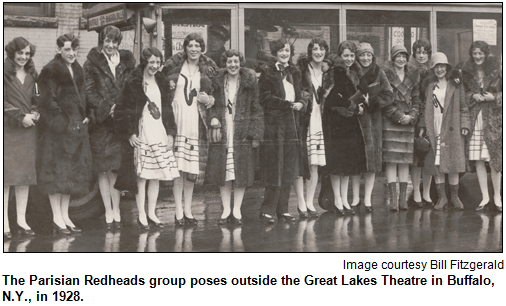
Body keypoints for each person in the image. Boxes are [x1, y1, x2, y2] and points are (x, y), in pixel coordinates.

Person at [114, 47, 180, 229]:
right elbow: (122, 109)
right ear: (144, 62)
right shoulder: (134, 81)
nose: (155, 66)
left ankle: (152, 213)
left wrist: (170, 133)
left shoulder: (162, 81)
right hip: (142, 131)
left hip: (158, 130)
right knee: (142, 176)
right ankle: (141, 214)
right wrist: (129, 132)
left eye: (158, 63)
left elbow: (167, 109)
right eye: (151, 62)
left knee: (156, 175)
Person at [38, 34, 92, 234]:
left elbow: (83, 97)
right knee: (56, 175)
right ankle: (56, 218)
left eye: (74, 49)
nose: (71, 53)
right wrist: (62, 123)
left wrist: (87, 116)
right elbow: (47, 102)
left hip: (76, 131)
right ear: (59, 49)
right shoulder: (50, 70)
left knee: (70, 175)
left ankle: (65, 216)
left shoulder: (78, 69)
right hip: (59, 133)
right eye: (67, 49)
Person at [84, 25, 136, 229]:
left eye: (114, 42)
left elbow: (132, 87)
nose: (110, 45)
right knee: (103, 169)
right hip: (102, 122)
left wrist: (122, 109)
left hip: (120, 123)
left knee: (116, 168)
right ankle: (108, 210)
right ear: (101, 41)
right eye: (107, 41)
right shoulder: (91, 64)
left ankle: (117, 209)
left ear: (118, 43)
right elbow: (90, 92)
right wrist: (108, 108)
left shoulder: (126, 63)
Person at [163, 33, 216, 225]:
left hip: (195, 121)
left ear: (202, 49)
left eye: (197, 46)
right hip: (178, 120)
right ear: (185, 48)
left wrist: (209, 100)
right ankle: (178, 211)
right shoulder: (174, 68)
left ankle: (188, 210)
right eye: (190, 45)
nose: (194, 49)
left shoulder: (207, 71)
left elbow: (214, 95)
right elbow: (163, 93)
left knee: (191, 169)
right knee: (178, 169)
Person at [206, 49, 264, 224]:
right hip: (223, 129)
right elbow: (212, 105)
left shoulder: (249, 83)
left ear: (241, 64)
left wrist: (255, 134)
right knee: (224, 170)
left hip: (242, 130)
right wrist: (213, 117)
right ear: (225, 63)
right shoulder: (216, 82)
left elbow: (257, 108)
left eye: (236, 62)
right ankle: (225, 210)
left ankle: (237, 210)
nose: (233, 65)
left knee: (241, 171)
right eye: (229, 62)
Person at [258, 38, 309, 223]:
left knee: (288, 165)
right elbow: (264, 97)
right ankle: (267, 210)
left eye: (287, 50)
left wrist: (301, 103)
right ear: (275, 52)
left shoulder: (295, 72)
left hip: (292, 122)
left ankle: (283, 209)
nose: (284, 53)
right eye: (280, 50)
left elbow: (304, 92)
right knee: (274, 164)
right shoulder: (267, 71)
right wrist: (286, 104)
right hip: (274, 122)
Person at [418, 52, 470, 210]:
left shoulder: (456, 84)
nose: (439, 69)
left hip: (452, 126)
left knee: (453, 162)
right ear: (432, 69)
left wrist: (465, 125)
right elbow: (424, 109)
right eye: (436, 67)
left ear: (447, 68)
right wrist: (421, 127)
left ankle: (454, 196)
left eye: (442, 66)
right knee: (437, 164)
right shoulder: (429, 86)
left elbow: (464, 108)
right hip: (434, 125)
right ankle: (442, 198)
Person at [321, 41, 367, 215]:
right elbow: (332, 99)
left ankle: (345, 198)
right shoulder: (335, 73)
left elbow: (362, 93)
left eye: (352, 56)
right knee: (337, 163)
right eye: (346, 55)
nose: (349, 59)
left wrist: (359, 104)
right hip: (336, 124)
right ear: (340, 56)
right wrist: (353, 107)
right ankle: (338, 200)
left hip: (350, 123)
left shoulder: (356, 72)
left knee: (347, 163)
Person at [456, 41, 502, 212]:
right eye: (474, 53)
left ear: (486, 54)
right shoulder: (466, 72)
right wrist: (472, 95)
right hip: (476, 118)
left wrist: (495, 98)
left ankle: (498, 197)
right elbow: (463, 94)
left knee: (495, 159)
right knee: (479, 160)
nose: (477, 57)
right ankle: (485, 197)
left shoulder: (498, 70)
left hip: (494, 119)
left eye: (480, 53)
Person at [350, 42, 395, 211]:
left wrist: (374, 102)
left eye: (368, 55)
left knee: (372, 161)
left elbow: (389, 95)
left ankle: (368, 199)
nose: (365, 58)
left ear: (373, 56)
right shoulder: (352, 72)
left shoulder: (379, 72)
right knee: (355, 161)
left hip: (374, 121)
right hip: (355, 120)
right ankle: (355, 199)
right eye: (362, 55)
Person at [4, 37, 39, 239]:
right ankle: (4, 223)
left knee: (24, 177)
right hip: (9, 131)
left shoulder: (33, 75)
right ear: (12, 53)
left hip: (28, 131)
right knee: (6, 179)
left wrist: (35, 112)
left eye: (27, 54)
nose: (24, 57)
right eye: (20, 53)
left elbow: (37, 97)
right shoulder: (3, 73)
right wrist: (20, 116)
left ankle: (21, 220)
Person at [294, 38, 333, 218]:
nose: (319, 52)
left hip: (321, 121)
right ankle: (301, 203)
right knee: (302, 164)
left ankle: (310, 202)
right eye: (316, 49)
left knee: (315, 164)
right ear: (311, 51)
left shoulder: (328, 73)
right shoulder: (302, 71)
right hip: (304, 121)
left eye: (322, 49)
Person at [382, 45, 421, 211]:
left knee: (405, 162)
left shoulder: (413, 76)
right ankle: (393, 199)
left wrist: (412, 115)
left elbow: (417, 100)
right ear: (392, 58)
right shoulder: (385, 75)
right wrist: (399, 116)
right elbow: (384, 100)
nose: (401, 59)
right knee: (392, 161)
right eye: (398, 56)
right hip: (391, 121)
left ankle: (403, 199)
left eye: (404, 56)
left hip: (408, 122)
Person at [409, 39, 435, 207]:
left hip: (431, 116)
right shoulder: (410, 72)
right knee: (416, 155)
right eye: (418, 52)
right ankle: (416, 191)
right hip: (415, 116)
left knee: (429, 156)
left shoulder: (434, 73)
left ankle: (426, 192)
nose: (421, 55)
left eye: (424, 52)